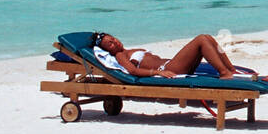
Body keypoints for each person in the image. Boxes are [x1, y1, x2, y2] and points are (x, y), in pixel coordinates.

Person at [92, 32, 250, 79]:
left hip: (172, 64)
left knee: (208, 37)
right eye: (109, 44)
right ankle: (224, 73)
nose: (115, 42)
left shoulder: (129, 50)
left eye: (112, 39)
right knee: (201, 39)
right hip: (169, 68)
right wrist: (157, 72)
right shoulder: (120, 56)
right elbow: (132, 72)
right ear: (108, 51)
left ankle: (229, 68)